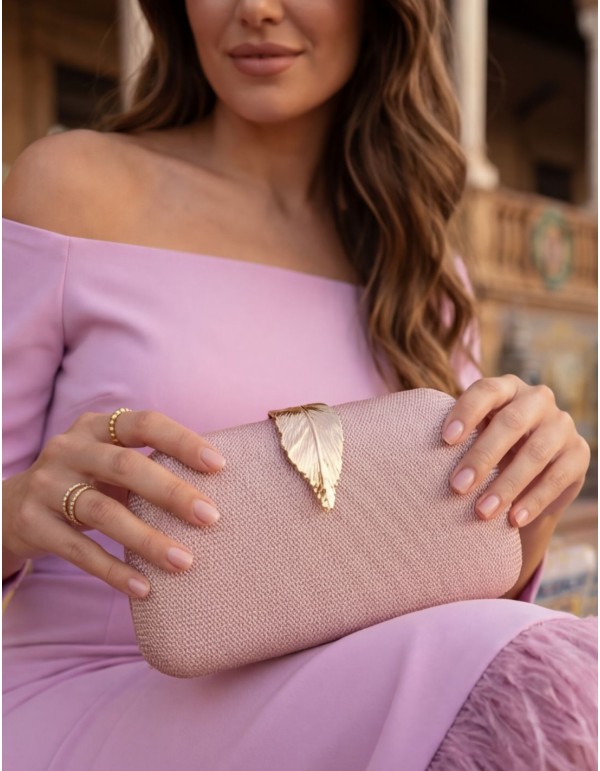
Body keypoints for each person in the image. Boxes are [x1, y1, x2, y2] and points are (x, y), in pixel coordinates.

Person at [3, 1, 597, 769]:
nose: (255, 8)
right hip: (87, 699)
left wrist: (535, 494)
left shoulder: (422, 272)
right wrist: (19, 508)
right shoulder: (72, 186)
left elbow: (461, 600)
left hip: (346, 694)